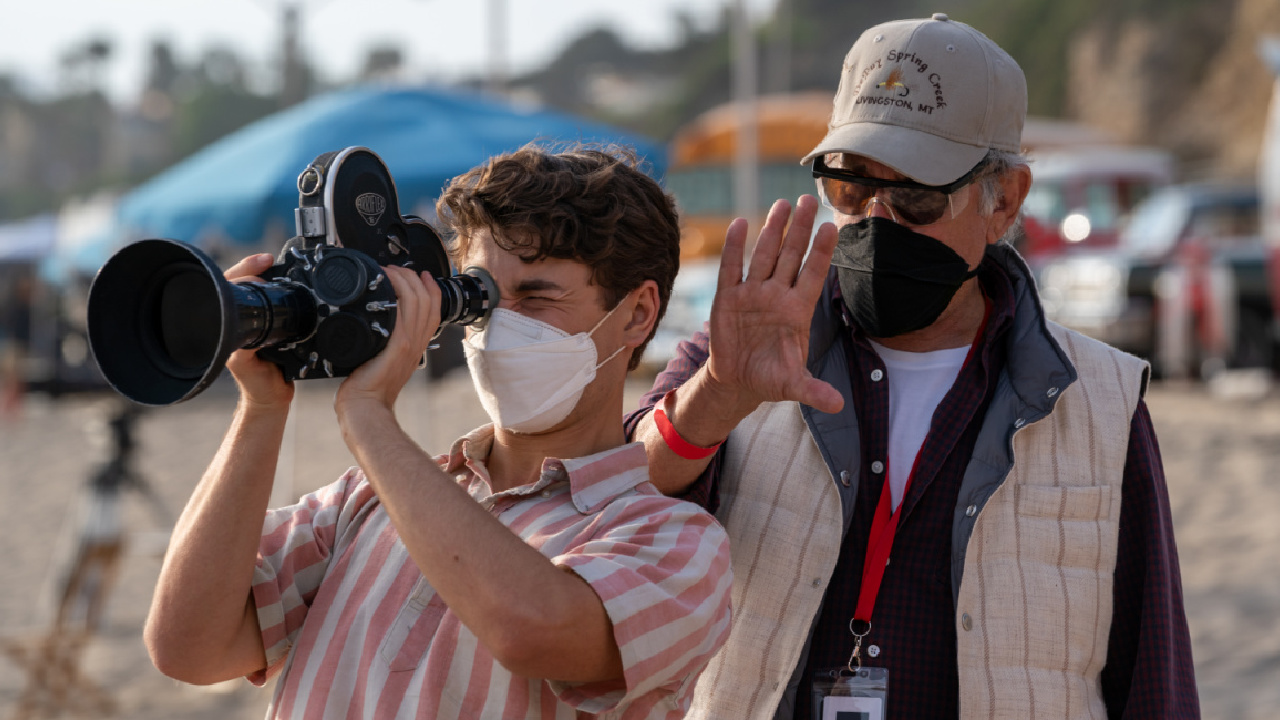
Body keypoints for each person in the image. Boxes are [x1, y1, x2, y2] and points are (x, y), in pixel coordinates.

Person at [627, 14, 1199, 720]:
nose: (877, 218)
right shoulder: (742, 350)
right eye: (850, 187)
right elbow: (615, 509)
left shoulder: (1101, 401)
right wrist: (714, 397)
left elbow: (1154, 675)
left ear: (1006, 200)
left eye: (918, 196)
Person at [144, 143, 733, 719]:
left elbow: (529, 631)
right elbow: (187, 646)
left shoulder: (675, 541)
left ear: (638, 313)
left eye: (535, 297)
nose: (500, 325)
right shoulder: (366, 500)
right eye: (478, 298)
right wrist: (261, 407)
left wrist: (370, 416)